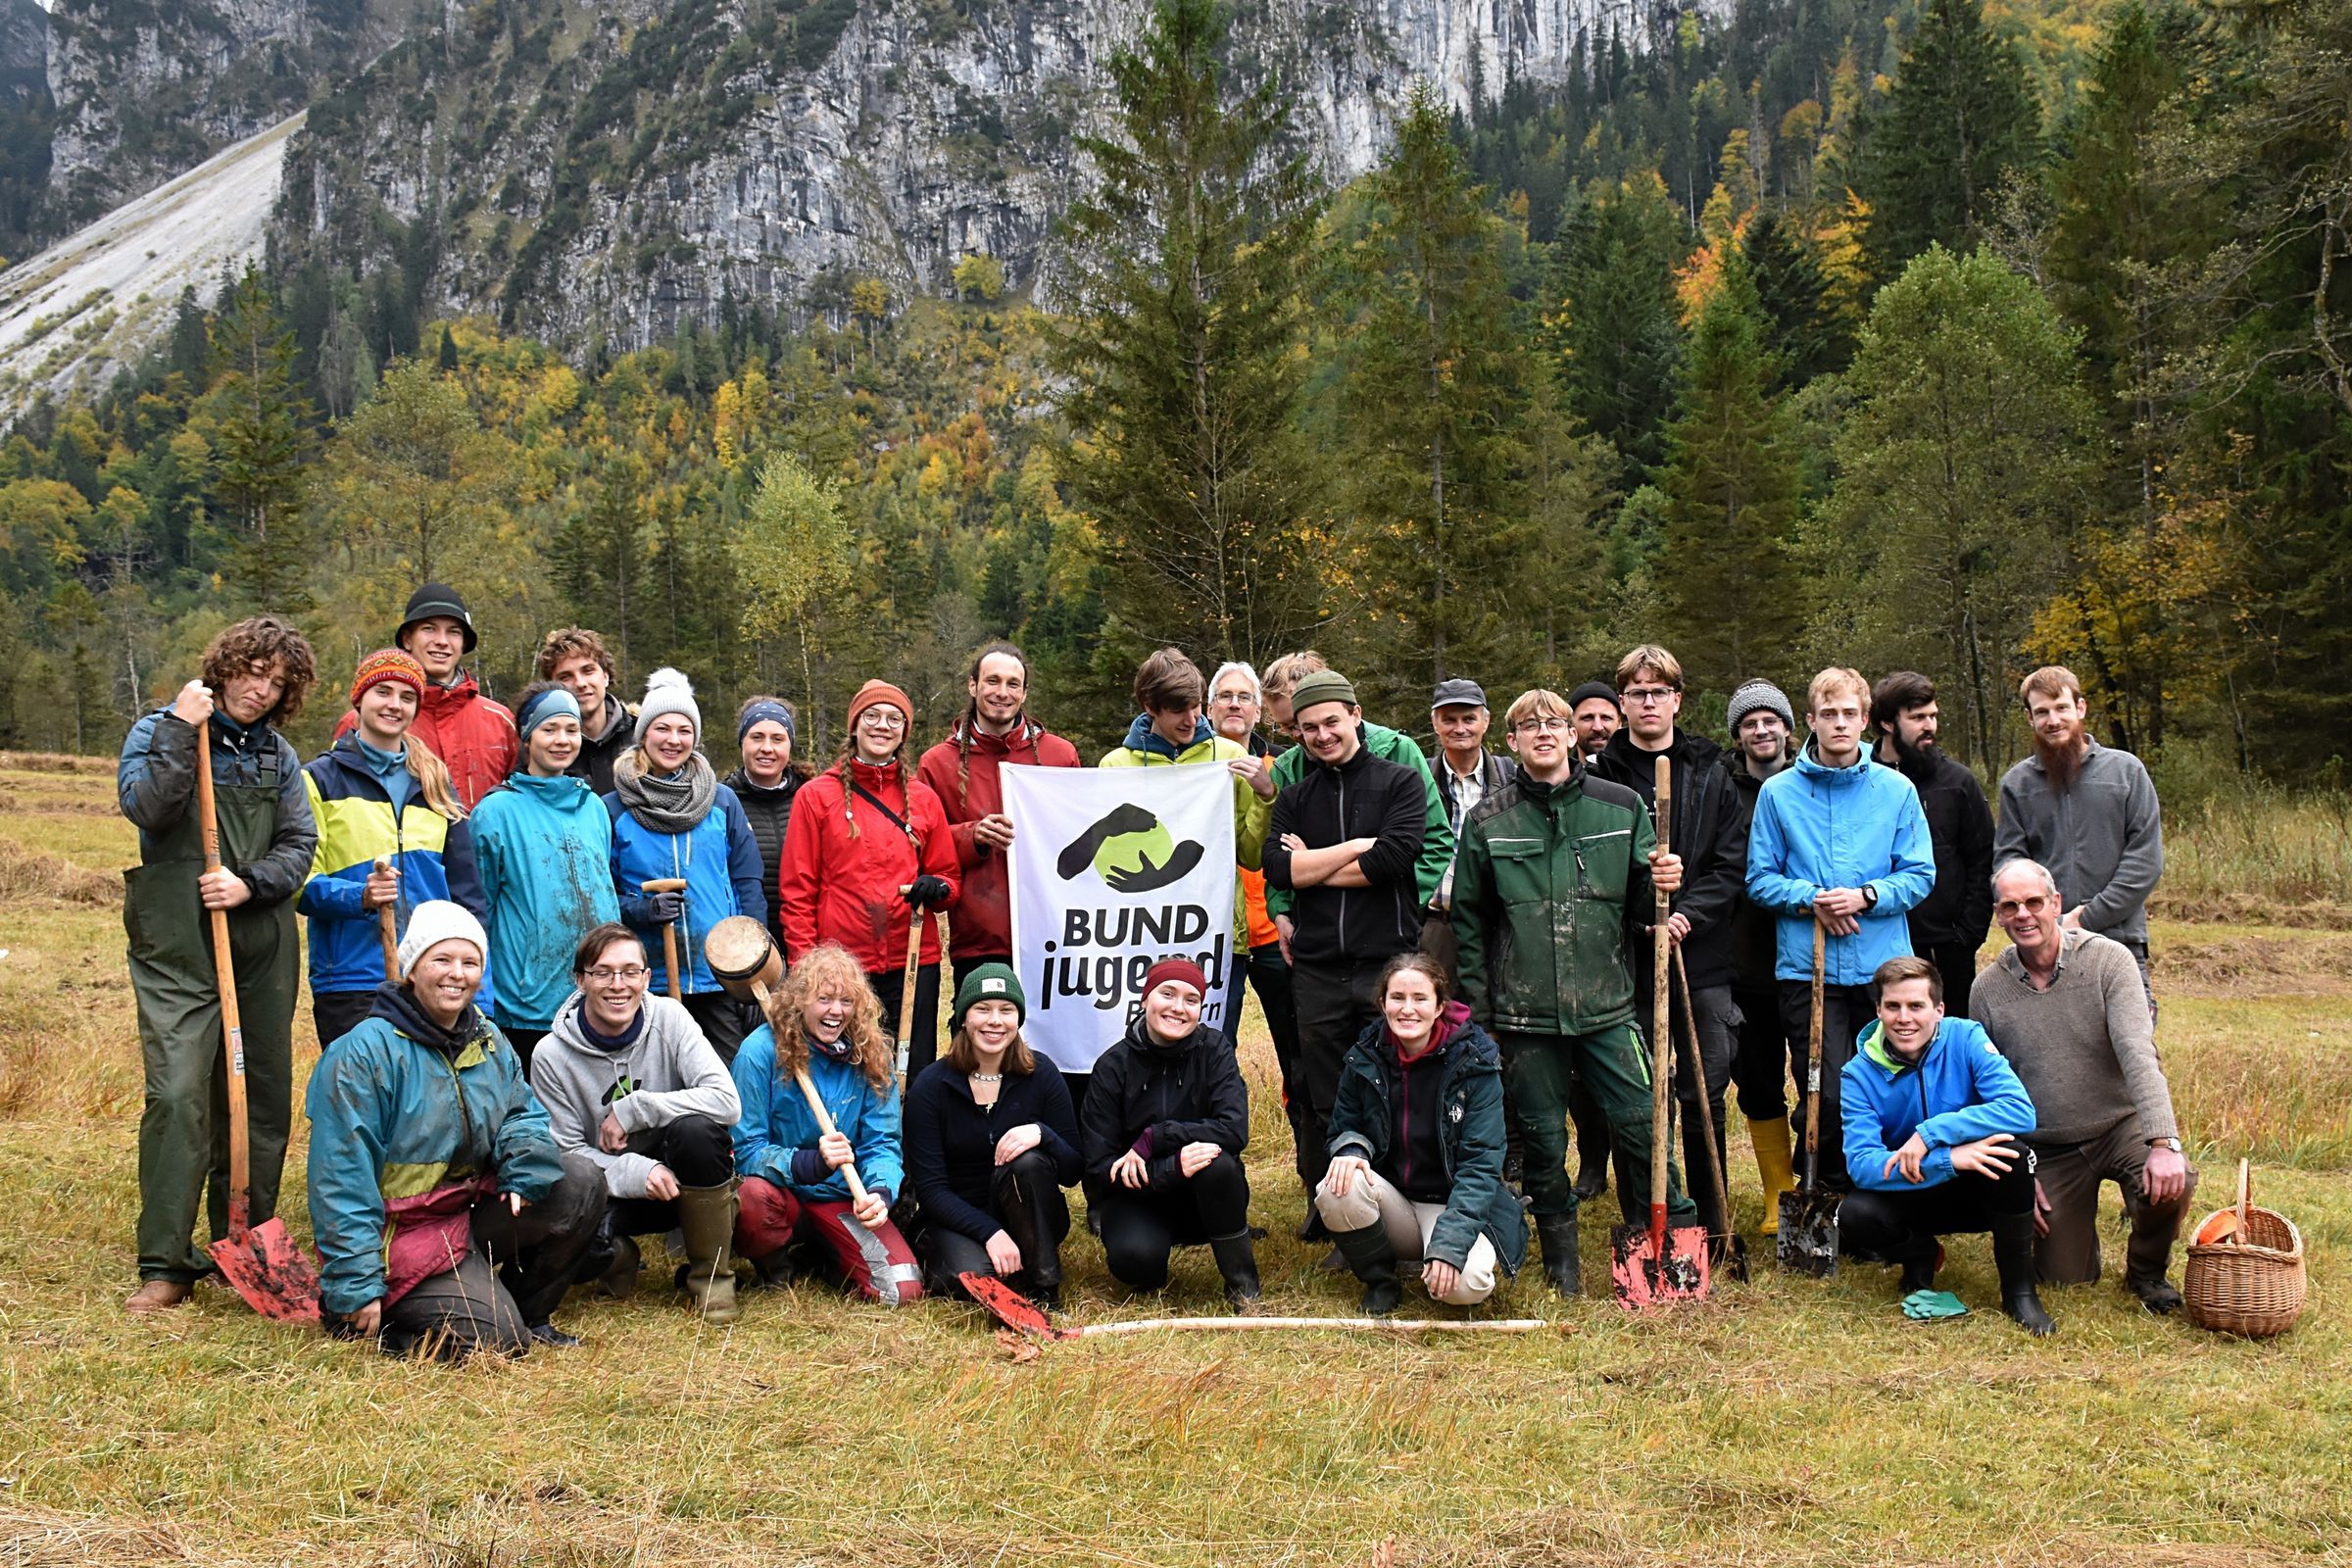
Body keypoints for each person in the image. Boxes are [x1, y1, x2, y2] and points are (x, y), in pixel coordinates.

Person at [1450, 687, 1692, 1296]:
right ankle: (1562, 1257)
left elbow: (1645, 908)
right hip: (1525, 1015)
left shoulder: (1622, 807)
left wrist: (1663, 882)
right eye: (1528, 726)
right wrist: (1481, 1011)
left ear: (1572, 734)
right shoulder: (1488, 820)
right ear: (1511, 742)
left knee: (1643, 1123)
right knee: (1541, 1136)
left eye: (1553, 723)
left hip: (1608, 1007)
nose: (1543, 733)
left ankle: (1666, 1243)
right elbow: (1471, 922)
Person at [118, 617, 318, 1315]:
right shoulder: (158, 731)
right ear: (225, 665)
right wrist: (180, 727)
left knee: (258, 1096)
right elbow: (146, 805)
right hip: (176, 942)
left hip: (258, 939)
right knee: (178, 1094)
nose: (259, 691)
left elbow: (301, 842)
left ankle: (243, 1239)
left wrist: (250, 882)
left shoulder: (280, 758)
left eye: (276, 683)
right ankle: (165, 1263)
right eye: (252, 672)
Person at [306, 902, 609, 1357]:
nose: (457, 974)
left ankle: (526, 1314)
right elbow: (340, 1178)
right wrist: (355, 1282)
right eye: (441, 960)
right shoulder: (361, 1056)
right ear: (412, 969)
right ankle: (365, 1315)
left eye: (470, 962)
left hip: (464, 1211)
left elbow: (520, 1112)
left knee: (581, 1181)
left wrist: (523, 1160)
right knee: (497, 1345)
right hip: (400, 1231)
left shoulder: (486, 1037)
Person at [1973, 860, 2195, 1312]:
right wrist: (2019, 1172)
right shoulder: (1986, 991)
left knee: (2174, 1179)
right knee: (2064, 1279)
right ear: (1998, 915)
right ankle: (2079, 1240)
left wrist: (2163, 1142)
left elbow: (2138, 1051)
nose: (2024, 914)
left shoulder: (2109, 961)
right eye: (2010, 906)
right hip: (2048, 1144)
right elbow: (1984, 1090)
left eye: (2034, 902)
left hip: (2120, 1124)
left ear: (2055, 904)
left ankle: (2147, 1271)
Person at [1744, 667, 1936, 1191]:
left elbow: (1919, 874)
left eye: (1850, 714)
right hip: (1810, 971)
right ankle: (1826, 1192)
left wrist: (1867, 896)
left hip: (1883, 971)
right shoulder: (1779, 795)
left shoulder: (1895, 790)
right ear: (1809, 722)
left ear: (1866, 720)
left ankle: (1885, 1190)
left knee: (1887, 1084)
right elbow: (1759, 880)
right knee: (1823, 1091)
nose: (1839, 724)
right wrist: (1812, 901)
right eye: (1828, 714)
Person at [1591, 646, 1748, 1241]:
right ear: (1623, 702)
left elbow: (1731, 866)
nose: (1648, 702)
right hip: (1626, 960)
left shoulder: (1711, 771)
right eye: (1637, 692)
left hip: (1700, 958)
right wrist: (1643, 916)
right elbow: (1595, 866)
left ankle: (1711, 1221)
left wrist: (1683, 916)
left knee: (1702, 1091)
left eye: (1659, 692)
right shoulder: (1600, 776)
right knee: (1637, 1095)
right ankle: (1645, 1217)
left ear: (1677, 700)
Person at [1261, 668, 1431, 1211]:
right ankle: (1342, 1206)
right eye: (1308, 728)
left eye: (1331, 721)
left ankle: (1399, 1196)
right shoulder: (1294, 795)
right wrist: (1354, 847)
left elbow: (1391, 860)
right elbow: (1277, 869)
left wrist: (1310, 862)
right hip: (1316, 968)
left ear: (1355, 716)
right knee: (1327, 1089)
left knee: (1393, 1082)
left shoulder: (1398, 781)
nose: (1321, 735)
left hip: (1386, 961)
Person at [532, 923, 744, 1323]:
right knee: (568, 1238)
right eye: (602, 972)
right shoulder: (551, 1054)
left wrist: (635, 1108)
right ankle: (619, 1260)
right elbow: (566, 1153)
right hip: (613, 1187)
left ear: (647, 978)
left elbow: (726, 1102)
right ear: (580, 980)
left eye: (631, 971)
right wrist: (635, 1170)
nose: (618, 985)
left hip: (682, 1181)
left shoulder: (670, 1018)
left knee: (698, 1130)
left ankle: (711, 1280)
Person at [1838, 956, 2053, 1335]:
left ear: (1938, 1010)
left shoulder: (1967, 1037)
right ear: (1878, 1009)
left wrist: (1931, 1133)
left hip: (1976, 1190)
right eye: (1893, 1006)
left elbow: (2021, 1112)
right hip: (1911, 1189)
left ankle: (2019, 1291)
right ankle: (1919, 1252)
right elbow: (1861, 1163)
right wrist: (1949, 1159)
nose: (1904, 1018)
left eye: (1916, 1006)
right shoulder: (1857, 1074)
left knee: (2014, 1156)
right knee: (1854, 1214)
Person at [299, 648, 492, 1049]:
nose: (394, 705)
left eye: (407, 697)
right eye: (382, 692)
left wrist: (480, 990)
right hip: (351, 979)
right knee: (361, 1102)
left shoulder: (435, 784)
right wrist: (360, 897)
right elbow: (300, 884)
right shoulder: (318, 779)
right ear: (359, 699)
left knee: (431, 1102)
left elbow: (467, 895)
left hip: (431, 977)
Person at [1317, 953, 1527, 1313]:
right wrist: (1352, 1148)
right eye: (1397, 998)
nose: (1407, 1009)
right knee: (1338, 1185)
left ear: (1440, 1005)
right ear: (1382, 1003)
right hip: (1391, 1199)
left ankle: (1437, 1254)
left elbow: (1480, 1166)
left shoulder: (1475, 1063)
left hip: (1450, 1204)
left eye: (1420, 999)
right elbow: (1344, 1124)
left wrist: (1450, 1245)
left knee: (1467, 1287)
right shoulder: (1364, 1054)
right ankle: (1380, 1280)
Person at [778, 679, 961, 1076]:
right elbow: (798, 891)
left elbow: (949, 878)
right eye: (872, 716)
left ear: (904, 731)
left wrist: (938, 887)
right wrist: (806, 966)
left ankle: (908, 1138)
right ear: (855, 725)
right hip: (841, 964)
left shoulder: (923, 798)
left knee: (913, 1069)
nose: (883, 725)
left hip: (912, 958)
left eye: (894, 718)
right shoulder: (816, 796)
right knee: (847, 1068)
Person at [1099, 648, 1277, 1044]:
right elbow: (1105, 864)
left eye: (1197, 707)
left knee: (1213, 1049)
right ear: (1150, 707)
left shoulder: (1230, 757)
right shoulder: (1116, 765)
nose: (1192, 719)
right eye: (1179, 710)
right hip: (1141, 937)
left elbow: (1250, 855)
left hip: (1215, 933)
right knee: (1139, 1044)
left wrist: (1265, 798)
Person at [729, 945, 923, 1305]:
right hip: (779, 1194)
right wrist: (808, 1163)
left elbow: (882, 1142)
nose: (836, 1011)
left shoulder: (872, 1055)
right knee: (751, 1200)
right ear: (800, 1000)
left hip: (839, 1198)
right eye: (824, 999)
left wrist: (880, 1192)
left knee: (901, 1288)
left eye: (846, 1001)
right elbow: (744, 1152)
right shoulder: (759, 1052)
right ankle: (774, 1266)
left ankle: (822, 1258)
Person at [606, 667, 768, 1063]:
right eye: (662, 728)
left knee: (728, 1086)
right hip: (647, 979)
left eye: (684, 730)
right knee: (656, 1082)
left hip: (719, 977)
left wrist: (751, 972)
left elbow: (747, 884)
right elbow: (602, 894)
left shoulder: (722, 801)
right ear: (643, 734)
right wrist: (641, 911)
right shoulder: (613, 808)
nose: (674, 740)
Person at [1080, 958, 1261, 1307]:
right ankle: (1151, 1254)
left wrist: (1159, 1136)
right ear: (1146, 999)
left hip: (1205, 1196)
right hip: (1137, 1197)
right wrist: (1168, 1169)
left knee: (1219, 1161)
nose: (1178, 1008)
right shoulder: (1111, 1066)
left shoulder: (1215, 1050)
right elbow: (1099, 1164)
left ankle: (1243, 1283)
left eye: (1191, 1000)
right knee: (1137, 1265)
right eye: (1167, 994)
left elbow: (1234, 1130)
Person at [904, 963, 1082, 1307]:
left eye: (1007, 1010)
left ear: (1019, 1019)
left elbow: (1075, 1169)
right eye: (982, 1009)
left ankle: (1044, 1284)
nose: (995, 1021)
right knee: (968, 1279)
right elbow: (932, 1190)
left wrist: (1042, 1133)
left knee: (1027, 1161)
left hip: (1032, 1215)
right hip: (958, 1219)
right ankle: (1005, 1265)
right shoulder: (931, 1086)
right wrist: (991, 1233)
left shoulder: (1042, 1073)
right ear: (963, 1018)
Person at [467, 682, 623, 1066]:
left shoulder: (594, 808)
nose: (562, 740)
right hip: (527, 1005)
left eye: (571, 730)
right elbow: (477, 909)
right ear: (527, 737)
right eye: (549, 729)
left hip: (597, 996)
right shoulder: (496, 812)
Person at [1208, 660, 1312, 1222]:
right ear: (1208, 707)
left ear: (1259, 710)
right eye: (1222, 695)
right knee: (1212, 1059)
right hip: (1215, 938)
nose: (1233, 705)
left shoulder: (1282, 770)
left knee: (1300, 1057)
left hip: (1275, 935)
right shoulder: (1193, 770)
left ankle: (1315, 1180)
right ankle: (1221, 1191)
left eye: (1244, 697)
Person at [1994, 665, 2165, 1006]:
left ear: (2080, 708)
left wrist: (2085, 917)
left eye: (2061, 708)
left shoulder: (2126, 772)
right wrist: (2043, 920)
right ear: (2029, 718)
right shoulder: (2017, 784)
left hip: (2120, 939)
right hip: (2044, 948)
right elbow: (2008, 864)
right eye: (2041, 712)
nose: (2053, 720)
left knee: (2132, 1047)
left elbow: (2145, 860)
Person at [916, 643, 1083, 984]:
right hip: (979, 940)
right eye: (992, 681)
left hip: (1052, 934)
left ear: (1024, 693)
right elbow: (923, 847)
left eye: (1013, 684)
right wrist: (971, 836)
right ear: (973, 685)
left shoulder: (1060, 754)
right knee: (983, 1034)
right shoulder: (938, 763)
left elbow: (1079, 833)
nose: (1002, 692)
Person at [1722, 678, 1801, 1232]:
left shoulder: (1809, 783)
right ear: (1738, 734)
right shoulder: (1723, 789)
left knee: (1823, 1074)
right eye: (1750, 722)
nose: (1761, 729)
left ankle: (1820, 1179)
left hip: (1811, 955)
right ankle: (1778, 1190)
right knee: (1759, 1077)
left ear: (1787, 728)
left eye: (1770, 719)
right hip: (1748, 959)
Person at [1872, 671, 1994, 1016]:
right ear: (1887, 722)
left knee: (1950, 1043)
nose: (1930, 726)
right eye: (1917, 717)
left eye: (1933, 715)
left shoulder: (1958, 782)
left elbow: (1983, 858)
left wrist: (1967, 935)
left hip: (1948, 947)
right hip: (1879, 941)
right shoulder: (1861, 780)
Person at [333, 584, 515, 808]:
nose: (442, 641)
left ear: (464, 643)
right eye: (429, 629)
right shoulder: (363, 720)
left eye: (454, 631)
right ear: (408, 639)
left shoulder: (500, 720)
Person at [1427, 676, 1515, 977]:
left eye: (1469, 718)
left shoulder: (1512, 778)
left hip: (1496, 926)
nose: (1460, 728)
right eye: (1449, 720)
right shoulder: (1418, 780)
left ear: (1486, 721)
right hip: (1436, 926)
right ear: (1435, 722)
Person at [723, 694, 808, 959]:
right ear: (742, 743)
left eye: (777, 739)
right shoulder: (722, 802)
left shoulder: (810, 798)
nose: (767, 748)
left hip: (803, 942)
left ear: (790, 746)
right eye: (757, 737)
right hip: (744, 947)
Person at [538, 626, 637, 795]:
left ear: (605, 676)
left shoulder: (642, 738)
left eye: (588, 671)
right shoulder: (542, 749)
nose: (580, 683)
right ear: (551, 687)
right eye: (566, 677)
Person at [1568, 681, 1621, 765]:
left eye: (1606, 718)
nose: (1598, 727)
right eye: (1587, 718)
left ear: (1619, 723)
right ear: (1571, 725)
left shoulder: (1639, 773)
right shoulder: (1560, 777)